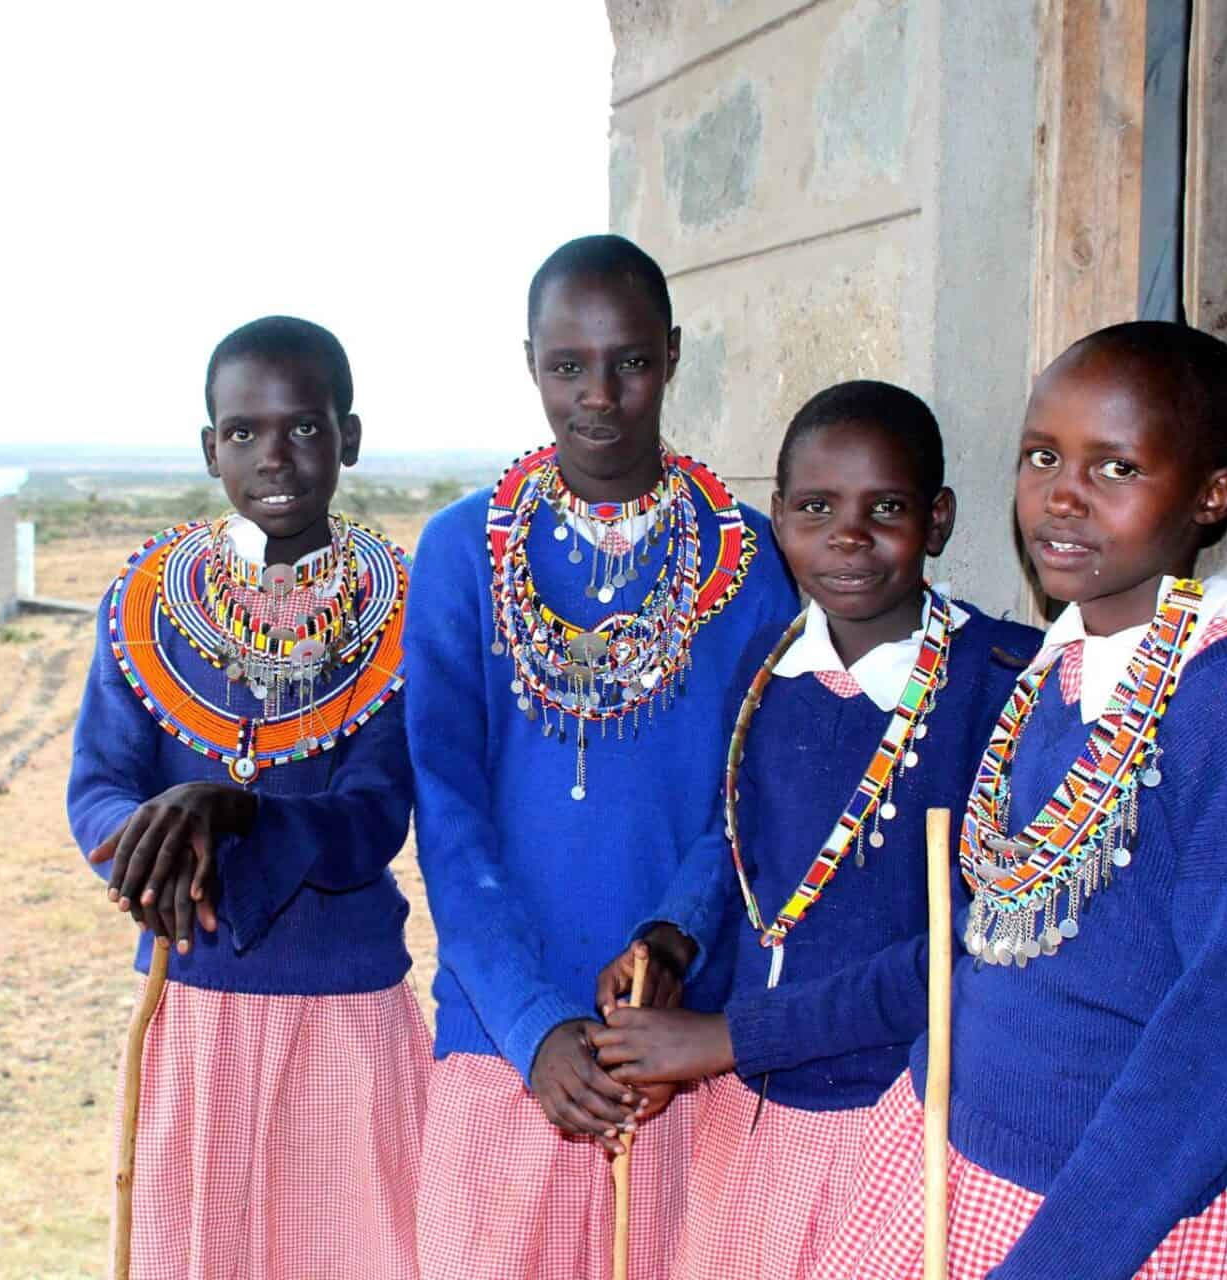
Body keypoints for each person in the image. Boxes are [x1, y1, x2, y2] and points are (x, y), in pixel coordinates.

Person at [814, 322, 1227, 1279]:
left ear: (1212, 494)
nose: (1061, 495)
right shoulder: (1058, 668)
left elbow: (1223, 1046)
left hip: (1097, 1224)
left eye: (1116, 468)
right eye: (1042, 456)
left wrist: (1060, 1259)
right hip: (945, 1152)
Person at [405, 234, 797, 1280]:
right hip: (502, 1038)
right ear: (528, 362)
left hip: (678, 1044)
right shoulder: (461, 552)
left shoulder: (748, 561)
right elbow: (446, 810)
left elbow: (748, 796)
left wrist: (677, 941)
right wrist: (536, 1028)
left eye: (628, 360)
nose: (600, 395)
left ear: (671, 355)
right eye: (566, 365)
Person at [585, 380, 1040, 1279]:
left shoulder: (1002, 686)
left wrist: (724, 1038)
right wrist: (671, 945)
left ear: (938, 520)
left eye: (889, 508)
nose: (849, 537)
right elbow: (736, 844)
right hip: (755, 1122)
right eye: (818, 508)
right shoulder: (768, 668)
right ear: (778, 517)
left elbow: (973, 956)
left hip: (905, 1120)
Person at [67, 315, 428, 1280]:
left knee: (361, 1254)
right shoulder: (145, 602)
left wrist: (238, 809)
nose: (275, 456)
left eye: (305, 429)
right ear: (209, 446)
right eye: (243, 432)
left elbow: (372, 818)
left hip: (347, 1006)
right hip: (187, 999)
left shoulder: (398, 613)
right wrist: (148, 841)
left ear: (348, 438)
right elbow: (99, 787)